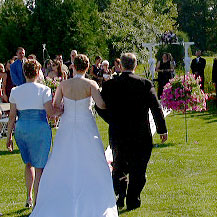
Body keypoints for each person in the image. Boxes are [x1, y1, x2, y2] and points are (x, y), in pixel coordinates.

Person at [30, 54, 118, 217]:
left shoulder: (64, 84)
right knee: (91, 156)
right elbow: (101, 104)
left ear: (73, 66)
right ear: (87, 67)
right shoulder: (90, 84)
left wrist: (63, 110)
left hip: (67, 123)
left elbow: (56, 105)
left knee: (62, 156)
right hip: (86, 123)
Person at [96, 53, 168, 211]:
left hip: (118, 132)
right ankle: (133, 198)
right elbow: (156, 108)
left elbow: (99, 107)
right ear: (135, 66)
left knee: (119, 165)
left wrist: (111, 119)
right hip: (140, 132)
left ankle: (121, 194)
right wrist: (162, 129)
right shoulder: (145, 84)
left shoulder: (110, 85)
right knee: (139, 167)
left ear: (120, 66)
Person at [6, 60, 62, 207]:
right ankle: (37, 202)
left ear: (24, 73)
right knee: (39, 167)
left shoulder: (15, 91)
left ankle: (28, 197)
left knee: (28, 163)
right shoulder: (44, 90)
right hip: (39, 129)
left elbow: (12, 117)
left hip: (22, 129)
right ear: (38, 73)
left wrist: (9, 137)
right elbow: (50, 113)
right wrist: (61, 111)